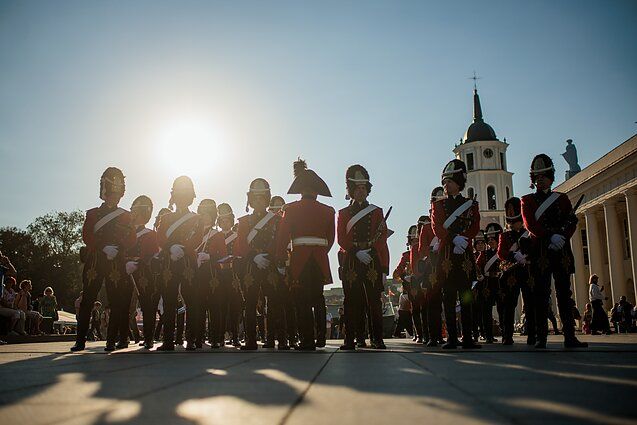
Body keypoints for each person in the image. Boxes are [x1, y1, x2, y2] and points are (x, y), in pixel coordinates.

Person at [521, 154, 587, 348]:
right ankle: (541, 337)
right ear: (533, 180)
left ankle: (570, 336)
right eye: (537, 177)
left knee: (564, 294)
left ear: (551, 177)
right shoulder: (527, 201)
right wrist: (551, 236)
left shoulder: (562, 198)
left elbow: (571, 220)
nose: (540, 179)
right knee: (541, 294)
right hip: (541, 250)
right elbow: (530, 224)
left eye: (544, 176)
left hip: (561, 251)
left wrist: (563, 237)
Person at [71, 167, 136, 352]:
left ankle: (111, 341)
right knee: (87, 300)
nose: (114, 198)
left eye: (117, 195)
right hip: (95, 260)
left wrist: (119, 249)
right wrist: (101, 247)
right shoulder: (92, 214)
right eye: (110, 193)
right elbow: (86, 236)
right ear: (104, 192)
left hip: (116, 261)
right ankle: (80, 340)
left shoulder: (126, 215)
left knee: (116, 300)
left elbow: (131, 238)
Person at [277, 160, 335, 350]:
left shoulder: (290, 209)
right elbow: (330, 239)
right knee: (318, 299)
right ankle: (320, 338)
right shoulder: (328, 211)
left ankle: (307, 340)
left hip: (299, 260)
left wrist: (280, 258)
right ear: (317, 191)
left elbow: (283, 237)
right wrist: (319, 251)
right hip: (319, 259)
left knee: (301, 301)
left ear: (300, 190)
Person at [337, 164, 389, 350]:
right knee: (352, 301)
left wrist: (372, 251)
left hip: (371, 258)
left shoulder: (376, 211)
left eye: (363, 188)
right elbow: (341, 238)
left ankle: (377, 338)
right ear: (351, 191)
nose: (361, 191)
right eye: (357, 188)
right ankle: (352, 339)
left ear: (368, 190)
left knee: (373, 301)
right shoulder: (343, 213)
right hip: (352, 259)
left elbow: (382, 236)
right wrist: (356, 252)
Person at [431, 159, 481, 349]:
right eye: (444, 182)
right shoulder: (438, 206)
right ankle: (452, 338)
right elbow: (437, 228)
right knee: (449, 298)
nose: (446, 185)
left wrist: (465, 238)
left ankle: (468, 338)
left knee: (467, 298)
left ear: (459, 183)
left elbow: (474, 225)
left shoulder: (470, 205)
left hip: (465, 255)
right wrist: (454, 239)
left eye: (449, 181)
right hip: (447, 257)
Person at [235, 178, 286, 350]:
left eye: (262, 197)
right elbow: (240, 246)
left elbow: (280, 242)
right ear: (250, 199)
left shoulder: (277, 220)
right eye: (255, 197)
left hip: (270, 264)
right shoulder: (242, 222)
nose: (259, 200)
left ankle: (271, 339)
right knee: (249, 303)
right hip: (251, 265)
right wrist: (253, 257)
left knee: (274, 302)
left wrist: (273, 259)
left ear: (267, 198)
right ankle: (250, 340)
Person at [156, 176, 204, 351]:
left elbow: (198, 237)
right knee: (169, 300)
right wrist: (170, 247)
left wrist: (183, 248)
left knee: (191, 300)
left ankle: (190, 339)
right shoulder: (166, 218)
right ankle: (168, 340)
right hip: (169, 261)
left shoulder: (196, 218)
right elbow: (160, 236)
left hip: (188, 261)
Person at [497, 197, 535, 346]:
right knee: (509, 305)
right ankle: (507, 335)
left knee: (531, 303)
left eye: (516, 222)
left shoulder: (529, 234)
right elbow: (501, 253)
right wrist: (514, 255)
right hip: (511, 274)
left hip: (527, 271)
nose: (513, 225)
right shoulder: (505, 236)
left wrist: (526, 255)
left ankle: (532, 334)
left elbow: (534, 249)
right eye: (511, 222)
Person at [125, 195, 161, 349]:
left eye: (135, 211)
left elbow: (151, 255)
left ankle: (148, 337)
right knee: (122, 305)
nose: (132, 214)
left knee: (147, 305)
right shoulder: (125, 232)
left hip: (143, 273)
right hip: (125, 270)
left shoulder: (150, 234)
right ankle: (122, 337)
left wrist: (137, 263)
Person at [195, 199, 227, 348]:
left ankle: (216, 337)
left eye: (208, 214)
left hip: (214, 275)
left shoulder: (218, 235)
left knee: (215, 306)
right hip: (197, 273)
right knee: (198, 306)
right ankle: (198, 337)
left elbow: (224, 256)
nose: (205, 217)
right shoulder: (194, 234)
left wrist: (210, 257)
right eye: (203, 214)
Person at [419, 188, 446, 346]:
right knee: (433, 304)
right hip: (433, 270)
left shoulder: (449, 223)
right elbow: (422, 250)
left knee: (447, 302)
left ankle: (447, 335)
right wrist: (432, 248)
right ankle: (433, 336)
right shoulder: (427, 228)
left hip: (447, 265)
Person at [216, 203, 242, 347]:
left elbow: (240, 253)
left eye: (228, 220)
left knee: (235, 306)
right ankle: (220, 335)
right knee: (220, 305)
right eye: (222, 221)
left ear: (232, 222)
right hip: (219, 273)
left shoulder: (237, 236)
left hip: (233, 274)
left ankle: (235, 335)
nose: (225, 223)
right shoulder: (215, 236)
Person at [393, 225, 423, 342]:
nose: (415, 243)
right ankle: (418, 333)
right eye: (413, 241)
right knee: (414, 310)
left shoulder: (422, 252)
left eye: (417, 240)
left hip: (423, 284)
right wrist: (405, 276)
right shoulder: (406, 256)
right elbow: (397, 273)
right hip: (410, 288)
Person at [477, 223, 502, 343]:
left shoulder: (502, 252)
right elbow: (477, 267)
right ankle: (488, 335)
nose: (491, 241)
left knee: (503, 309)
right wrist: (480, 276)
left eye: (493, 238)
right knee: (486, 311)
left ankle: (506, 333)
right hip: (487, 284)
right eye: (489, 239)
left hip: (501, 283)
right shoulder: (484, 254)